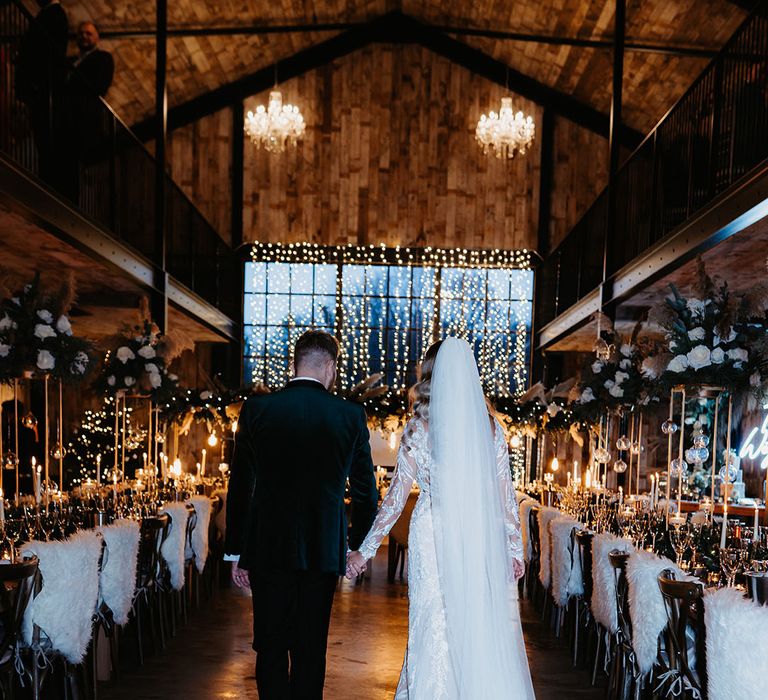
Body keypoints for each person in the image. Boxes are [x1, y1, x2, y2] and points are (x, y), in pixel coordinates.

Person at [347, 338, 535, 699]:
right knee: (472, 618)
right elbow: (504, 495)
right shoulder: (492, 428)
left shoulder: (418, 429)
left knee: (432, 619)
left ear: (429, 376)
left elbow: (396, 498)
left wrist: (365, 550)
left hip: (431, 531)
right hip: (477, 533)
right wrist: (514, 548)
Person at [225, 330, 378, 700]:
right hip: (322, 551)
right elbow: (365, 493)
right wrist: (357, 547)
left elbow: (241, 486)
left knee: (271, 647)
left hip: (267, 549)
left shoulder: (258, 409)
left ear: (295, 362)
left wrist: (236, 552)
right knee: (311, 650)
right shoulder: (350, 414)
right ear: (329, 366)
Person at [14, 0, 69, 186]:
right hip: (40, 87)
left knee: (45, 136)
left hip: (41, 87)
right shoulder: (50, 14)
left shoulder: (53, 14)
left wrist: (36, 82)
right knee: (42, 136)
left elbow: (45, 52)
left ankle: (47, 181)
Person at [69, 22, 114, 98]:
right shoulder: (70, 60)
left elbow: (100, 87)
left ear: (97, 38)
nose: (84, 36)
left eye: (88, 33)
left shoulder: (103, 58)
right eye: (81, 33)